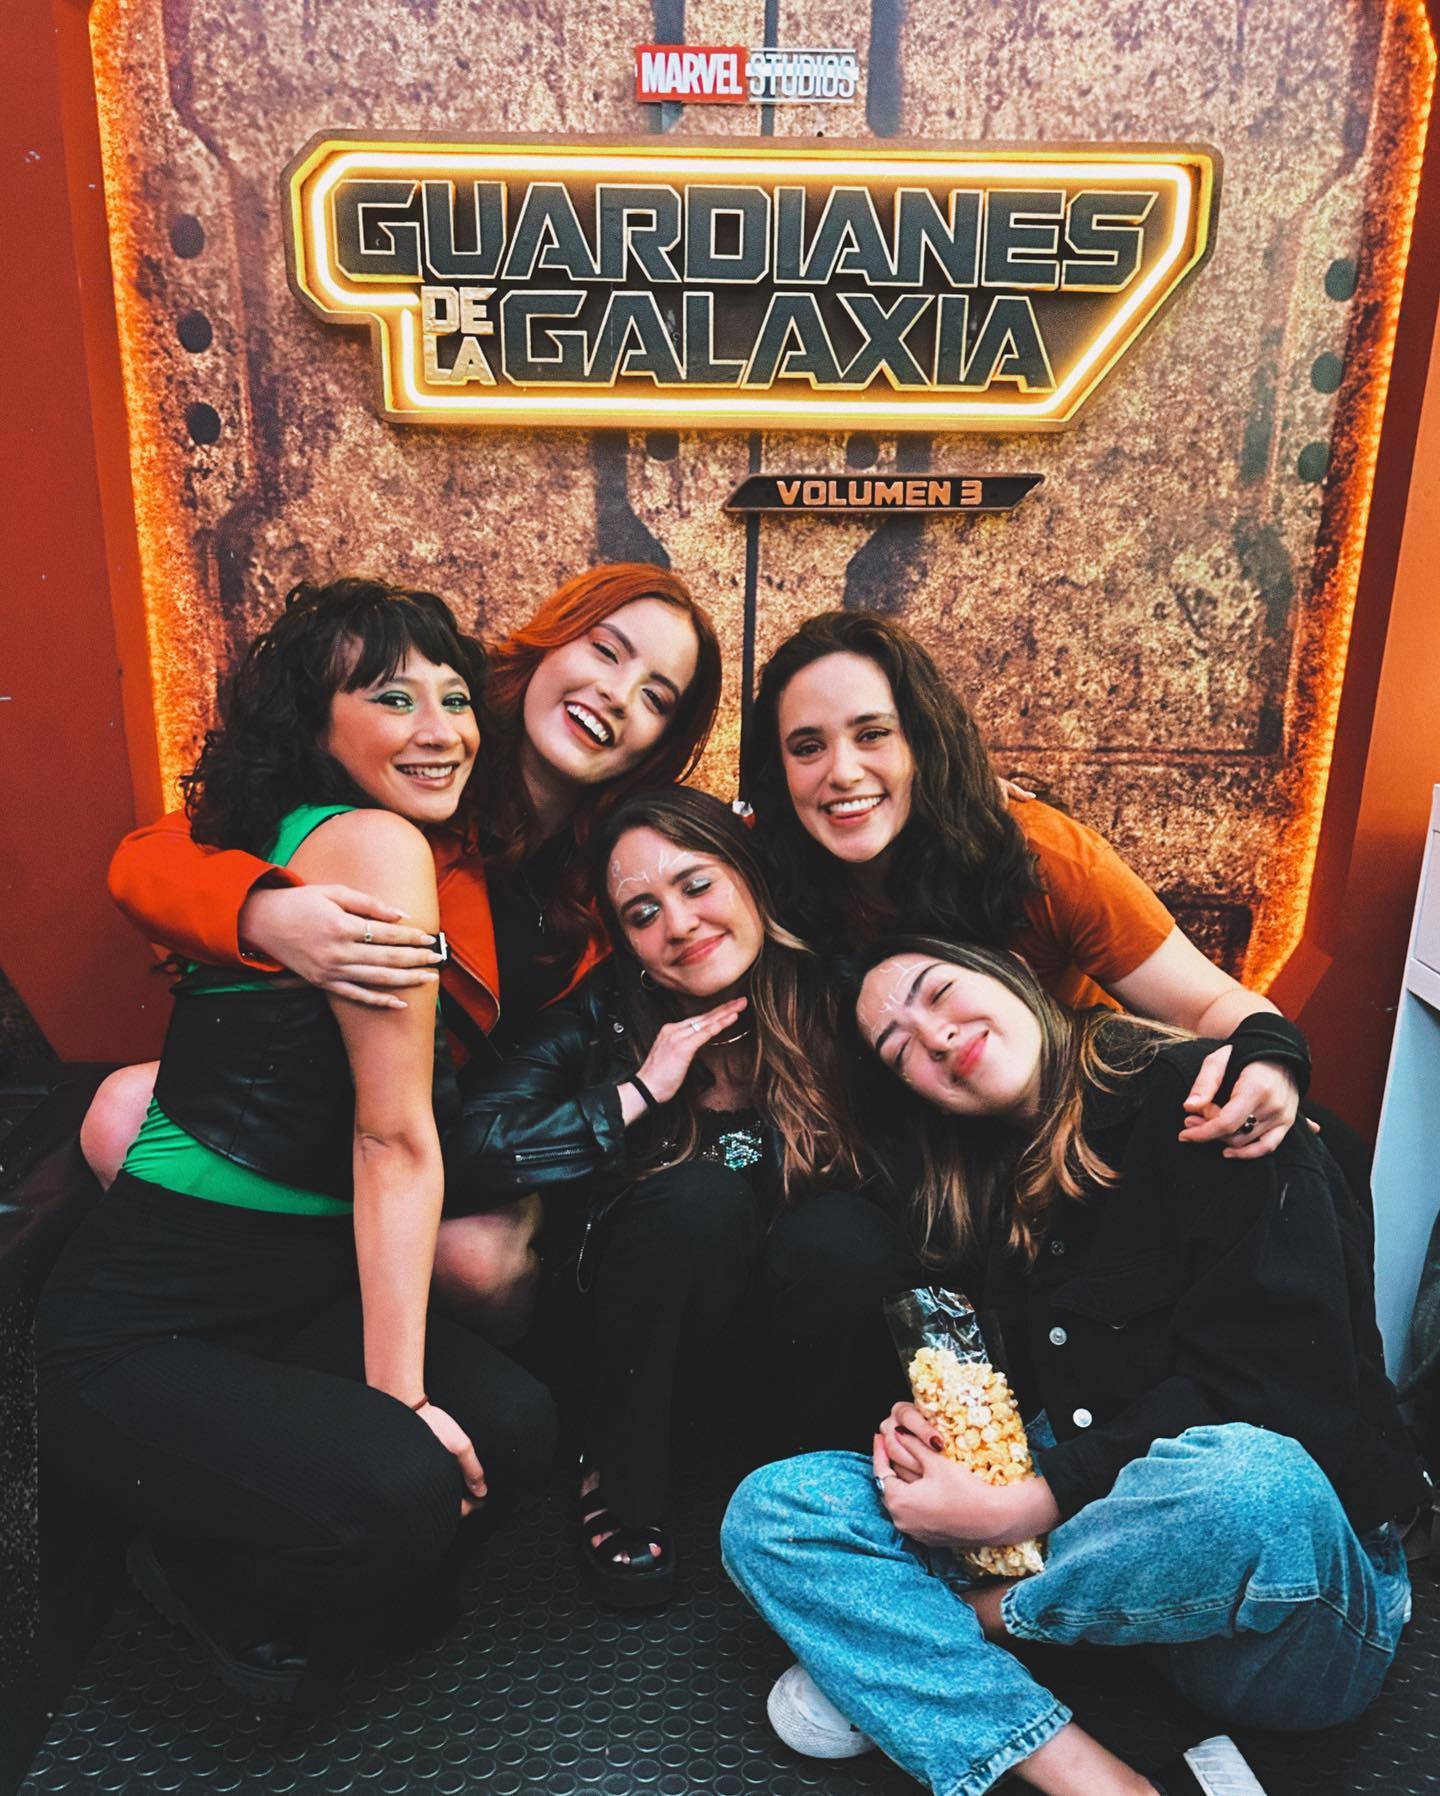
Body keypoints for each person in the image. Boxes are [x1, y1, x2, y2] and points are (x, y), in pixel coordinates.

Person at [722, 939, 1430, 1796]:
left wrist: (1021, 1507)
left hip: (1279, 1620)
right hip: (1108, 1572)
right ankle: (1097, 1781)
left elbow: (1290, 1399)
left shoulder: (1204, 1096)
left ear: (1013, 971)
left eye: (938, 993)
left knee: (1250, 1481)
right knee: (776, 1509)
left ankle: (947, 1630)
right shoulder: (970, 1183)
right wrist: (933, 1436)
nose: (935, 1038)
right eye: (899, 1048)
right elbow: (1026, 1412)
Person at [36, 577, 559, 1706]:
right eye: (393, 698)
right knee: (407, 1486)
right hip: (145, 1328)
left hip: (289, 1306)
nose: (441, 728)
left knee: (515, 1429)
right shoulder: (371, 844)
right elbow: (392, 1138)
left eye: (455, 697)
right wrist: (399, 1403)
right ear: (317, 727)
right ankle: (186, 1565)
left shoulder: (294, 837)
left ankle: (250, 1519)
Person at [81, 563, 723, 1335]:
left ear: (664, 740)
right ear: (550, 645)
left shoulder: (629, 862)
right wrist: (263, 914)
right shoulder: (425, 749)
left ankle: (481, 1383)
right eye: (606, 651)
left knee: (473, 1258)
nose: (619, 695)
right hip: (336, 1105)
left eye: (656, 697)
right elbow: (148, 859)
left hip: (490, 1139)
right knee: (118, 1110)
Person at [442, 787, 912, 1606]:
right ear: (626, 941)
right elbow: (460, 1151)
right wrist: (635, 1094)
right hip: (635, 1356)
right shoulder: (597, 1022)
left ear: (749, 876)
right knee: (697, 1201)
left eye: (697, 885)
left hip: (802, 1361)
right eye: (643, 912)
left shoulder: (841, 999)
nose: (681, 925)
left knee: (842, 1231)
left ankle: (814, 1491)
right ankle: (618, 1476)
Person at [742, 609, 1313, 1163]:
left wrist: (1268, 1059)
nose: (842, 772)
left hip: (1085, 1144)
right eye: (807, 747)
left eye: (873, 734)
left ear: (923, 740)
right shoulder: (766, 871)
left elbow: (1209, 1005)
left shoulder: (1039, 855)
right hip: (918, 1170)